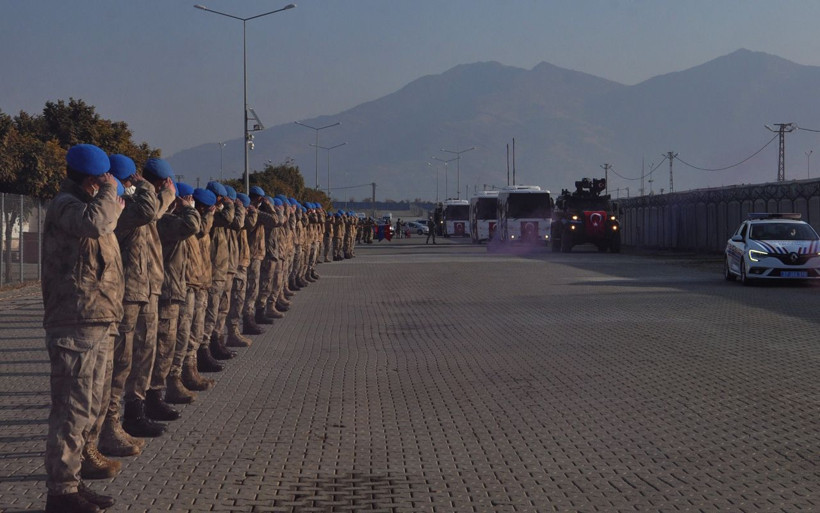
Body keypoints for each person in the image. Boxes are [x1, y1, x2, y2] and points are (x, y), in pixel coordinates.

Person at [42, 144, 124, 513]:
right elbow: (95, 223)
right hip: (75, 323)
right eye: (102, 181)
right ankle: (61, 492)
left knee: (90, 407)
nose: (108, 186)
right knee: (71, 410)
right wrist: (109, 191)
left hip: (98, 319)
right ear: (92, 180)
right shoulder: (66, 205)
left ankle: (74, 481)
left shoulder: (91, 206)